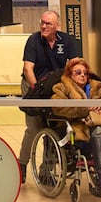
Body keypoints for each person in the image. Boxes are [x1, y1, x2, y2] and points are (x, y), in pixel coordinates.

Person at [51, 58, 101, 194]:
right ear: (70, 74)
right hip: (80, 128)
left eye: (85, 73)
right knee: (99, 130)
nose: (82, 75)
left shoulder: (99, 88)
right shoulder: (62, 88)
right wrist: (85, 109)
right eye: (78, 72)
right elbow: (58, 108)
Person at [18, 10, 79, 183]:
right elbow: (27, 69)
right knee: (35, 128)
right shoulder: (33, 40)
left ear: (57, 27)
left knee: (55, 128)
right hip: (33, 85)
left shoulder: (66, 41)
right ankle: (21, 163)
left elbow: (76, 65)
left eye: (48, 24)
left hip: (54, 88)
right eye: (42, 22)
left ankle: (46, 170)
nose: (43, 26)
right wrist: (37, 90)